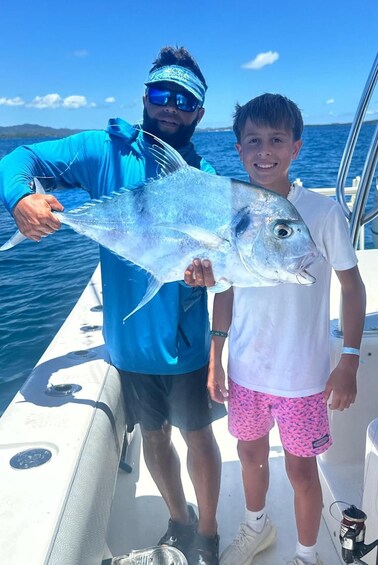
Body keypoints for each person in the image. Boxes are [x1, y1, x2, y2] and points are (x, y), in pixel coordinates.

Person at [0, 46, 225, 565]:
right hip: (127, 344)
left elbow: (222, 269)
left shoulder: (206, 178)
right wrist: (20, 198)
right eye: (162, 94)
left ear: (198, 112)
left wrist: (210, 284)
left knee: (198, 438)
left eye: (184, 100)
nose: (170, 107)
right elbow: (19, 159)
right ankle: (179, 521)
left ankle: (209, 534)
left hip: (186, 346)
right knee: (154, 437)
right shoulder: (103, 152)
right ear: (145, 96)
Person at [187, 93, 366, 565]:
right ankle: (256, 527)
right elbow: (226, 290)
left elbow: (352, 287)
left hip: (302, 378)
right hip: (246, 371)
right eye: (253, 141)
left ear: (296, 148)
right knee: (250, 455)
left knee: (303, 472)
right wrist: (216, 357)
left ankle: (307, 554)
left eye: (276, 140)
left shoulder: (324, 213)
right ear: (239, 149)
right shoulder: (231, 212)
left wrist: (348, 360)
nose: (264, 151)